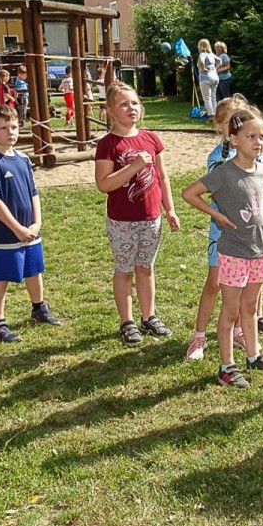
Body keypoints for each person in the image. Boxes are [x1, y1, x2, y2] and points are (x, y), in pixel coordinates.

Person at [182, 104, 263, 387]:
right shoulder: (224, 172)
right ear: (234, 139)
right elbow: (189, 193)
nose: (258, 142)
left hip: (258, 250)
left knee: (250, 308)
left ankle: (254, 355)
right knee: (230, 311)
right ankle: (227, 366)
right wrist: (218, 216)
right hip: (233, 254)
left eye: (262, 137)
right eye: (251, 137)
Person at [94, 82, 181, 344]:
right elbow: (104, 184)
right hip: (122, 221)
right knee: (125, 270)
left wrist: (170, 209)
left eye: (134, 102)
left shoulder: (152, 139)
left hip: (151, 217)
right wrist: (133, 166)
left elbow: (162, 177)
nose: (131, 108)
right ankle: (127, 322)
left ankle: (149, 316)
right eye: (123, 104)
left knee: (146, 268)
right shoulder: (108, 144)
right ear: (110, 110)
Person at [0, 104, 61, 343]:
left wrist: (36, 223)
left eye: (14, 126)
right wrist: (17, 228)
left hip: (31, 231)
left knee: (34, 271)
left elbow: (33, 192)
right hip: (6, 234)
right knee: (1, 277)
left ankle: (39, 309)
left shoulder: (24, 158)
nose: (11, 132)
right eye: (3, 128)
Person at [196, 39, 220, 116]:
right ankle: (216, 115)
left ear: (200, 46)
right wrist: (215, 69)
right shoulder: (211, 54)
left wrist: (203, 68)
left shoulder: (202, 54)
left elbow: (202, 61)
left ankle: (211, 115)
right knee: (213, 98)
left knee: (207, 98)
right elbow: (220, 61)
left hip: (205, 78)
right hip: (215, 77)